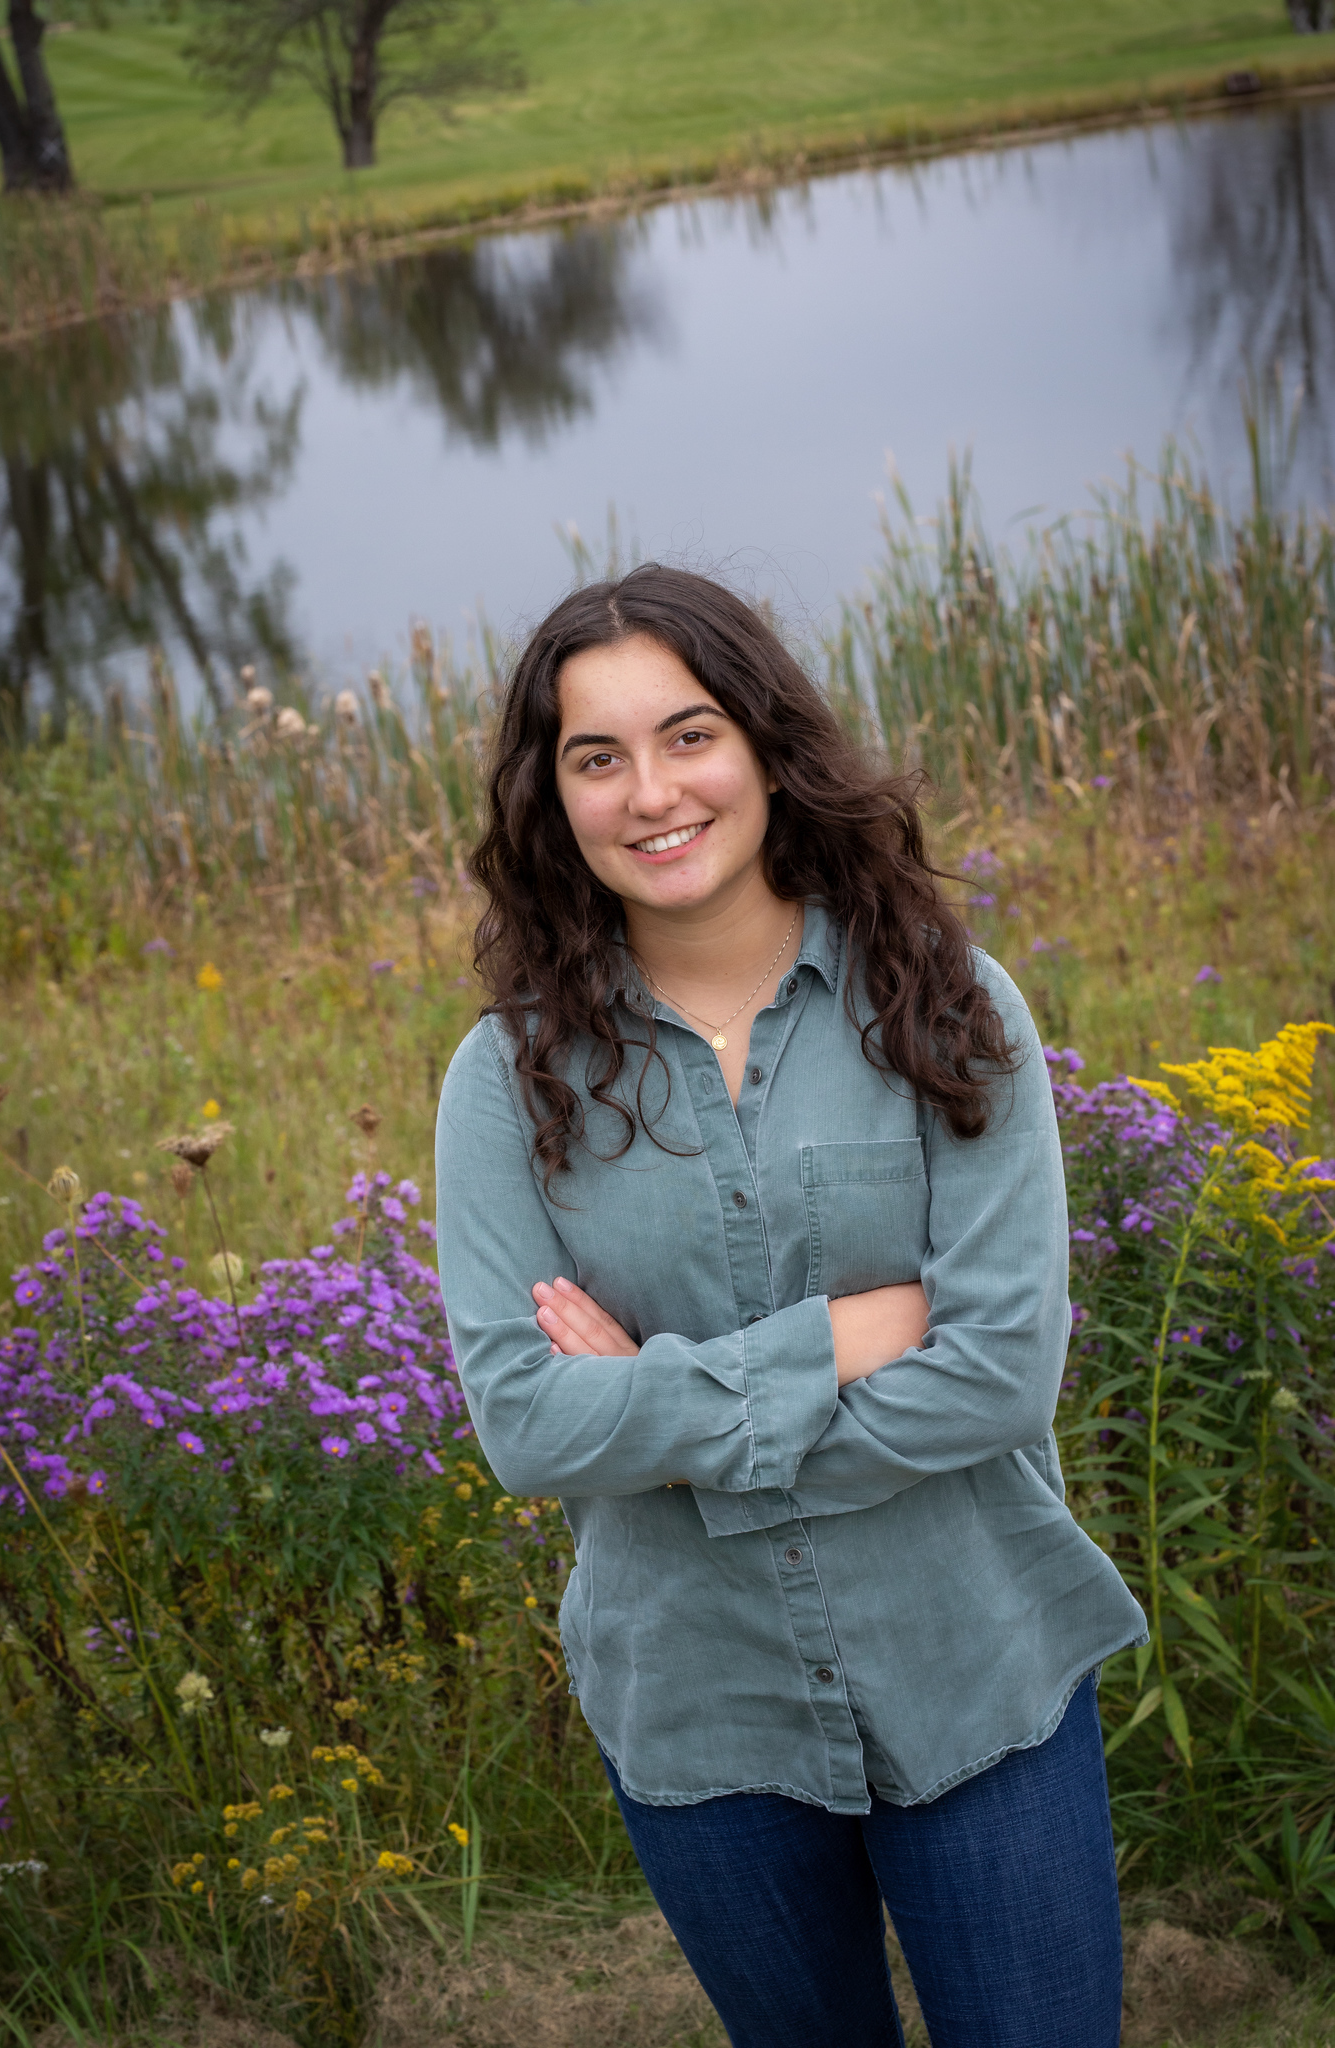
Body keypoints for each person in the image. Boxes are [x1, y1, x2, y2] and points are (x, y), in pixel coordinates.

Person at [434, 565, 1146, 2048]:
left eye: (687, 735)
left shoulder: (947, 1003)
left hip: (976, 1677)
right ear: (549, 795)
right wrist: (838, 1337)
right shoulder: (507, 1081)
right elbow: (524, 1423)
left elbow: (1001, 1374)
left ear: (762, 744)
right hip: (701, 1716)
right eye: (595, 756)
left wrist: (659, 1414)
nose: (651, 792)